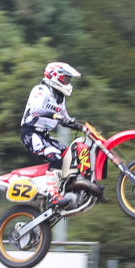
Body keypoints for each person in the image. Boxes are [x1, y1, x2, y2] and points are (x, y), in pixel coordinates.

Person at [20, 61, 84, 207]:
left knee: (69, 155)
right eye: (65, 78)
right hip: (30, 133)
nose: (67, 82)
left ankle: (67, 189)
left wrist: (81, 126)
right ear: (54, 76)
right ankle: (52, 196)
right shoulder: (41, 90)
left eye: (68, 79)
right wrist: (54, 115)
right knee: (54, 156)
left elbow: (65, 118)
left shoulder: (59, 98)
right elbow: (35, 109)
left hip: (44, 135)